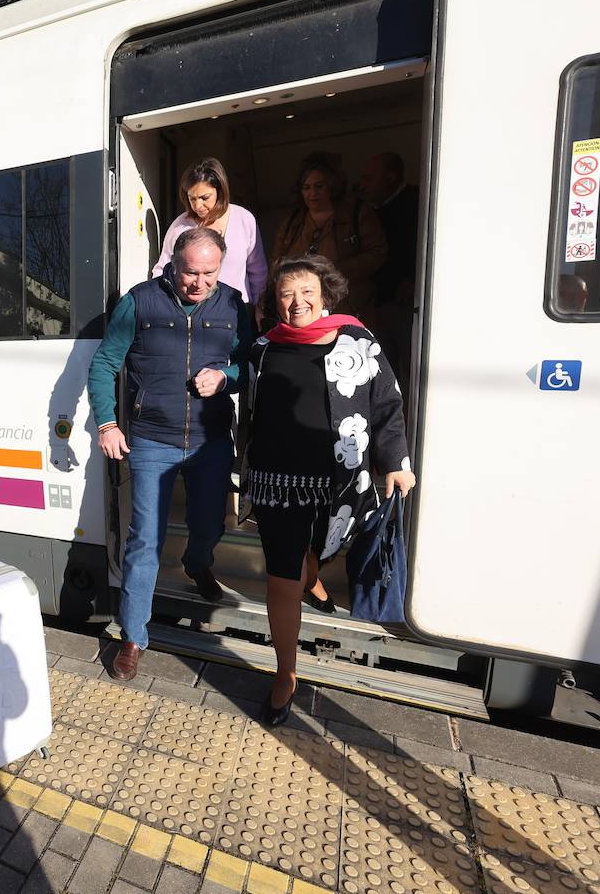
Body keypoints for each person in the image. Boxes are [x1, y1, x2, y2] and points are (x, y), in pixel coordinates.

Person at [246, 255, 414, 726]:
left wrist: (395, 461)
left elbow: (386, 404)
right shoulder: (263, 346)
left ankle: (313, 575)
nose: (296, 302)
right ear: (275, 301)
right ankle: (285, 675)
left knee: (320, 549)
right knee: (281, 580)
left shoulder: (357, 340)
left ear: (325, 295)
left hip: (340, 480)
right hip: (277, 484)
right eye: (286, 294)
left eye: (306, 292)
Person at [87, 227, 253, 681]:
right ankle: (134, 636)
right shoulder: (140, 301)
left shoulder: (234, 305)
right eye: (189, 272)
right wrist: (107, 422)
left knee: (209, 525)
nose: (198, 283)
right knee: (144, 541)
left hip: (212, 439)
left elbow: (254, 363)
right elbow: (104, 363)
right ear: (171, 266)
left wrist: (226, 377)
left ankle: (198, 561)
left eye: (208, 273)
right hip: (151, 440)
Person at [272, 152, 388, 321]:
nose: (313, 193)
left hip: (351, 305)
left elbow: (377, 252)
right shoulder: (291, 222)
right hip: (303, 309)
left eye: (319, 186)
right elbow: (276, 262)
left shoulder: (357, 213)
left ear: (332, 186)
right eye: (306, 188)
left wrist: (331, 272)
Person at [152, 158, 269, 315]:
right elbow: (163, 268)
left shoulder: (243, 218)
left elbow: (258, 272)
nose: (198, 206)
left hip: (237, 310)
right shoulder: (180, 225)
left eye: (204, 198)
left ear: (220, 192)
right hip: (190, 313)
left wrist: (260, 307)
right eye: (192, 198)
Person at [359, 152, 419, 384]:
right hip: (377, 302)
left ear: (391, 177)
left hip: (407, 304)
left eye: (368, 179)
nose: (362, 185)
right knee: (383, 370)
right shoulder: (367, 210)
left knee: (410, 368)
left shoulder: (417, 201)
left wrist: (412, 279)